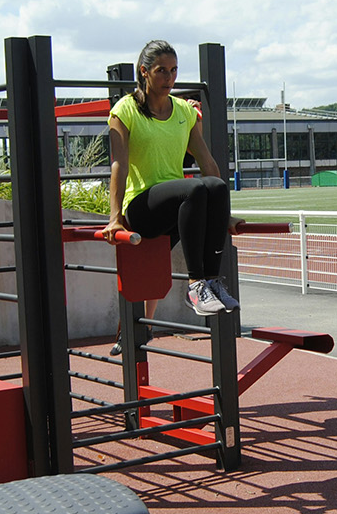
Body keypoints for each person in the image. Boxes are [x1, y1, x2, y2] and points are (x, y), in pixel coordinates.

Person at [103, 39, 241, 316]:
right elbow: (119, 164)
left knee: (215, 185)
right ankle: (195, 285)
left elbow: (207, 162)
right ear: (144, 72)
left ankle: (211, 280)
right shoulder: (125, 110)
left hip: (178, 205)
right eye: (161, 71)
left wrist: (223, 214)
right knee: (195, 190)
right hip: (142, 206)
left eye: (174, 70)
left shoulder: (183, 111)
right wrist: (114, 217)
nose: (169, 78)